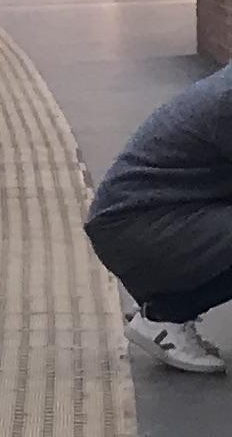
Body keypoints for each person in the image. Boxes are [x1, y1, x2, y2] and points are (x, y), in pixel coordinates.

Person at [90, 58, 232, 370]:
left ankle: (168, 308)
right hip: (136, 227)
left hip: (151, 217)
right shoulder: (227, 100)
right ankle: (165, 317)